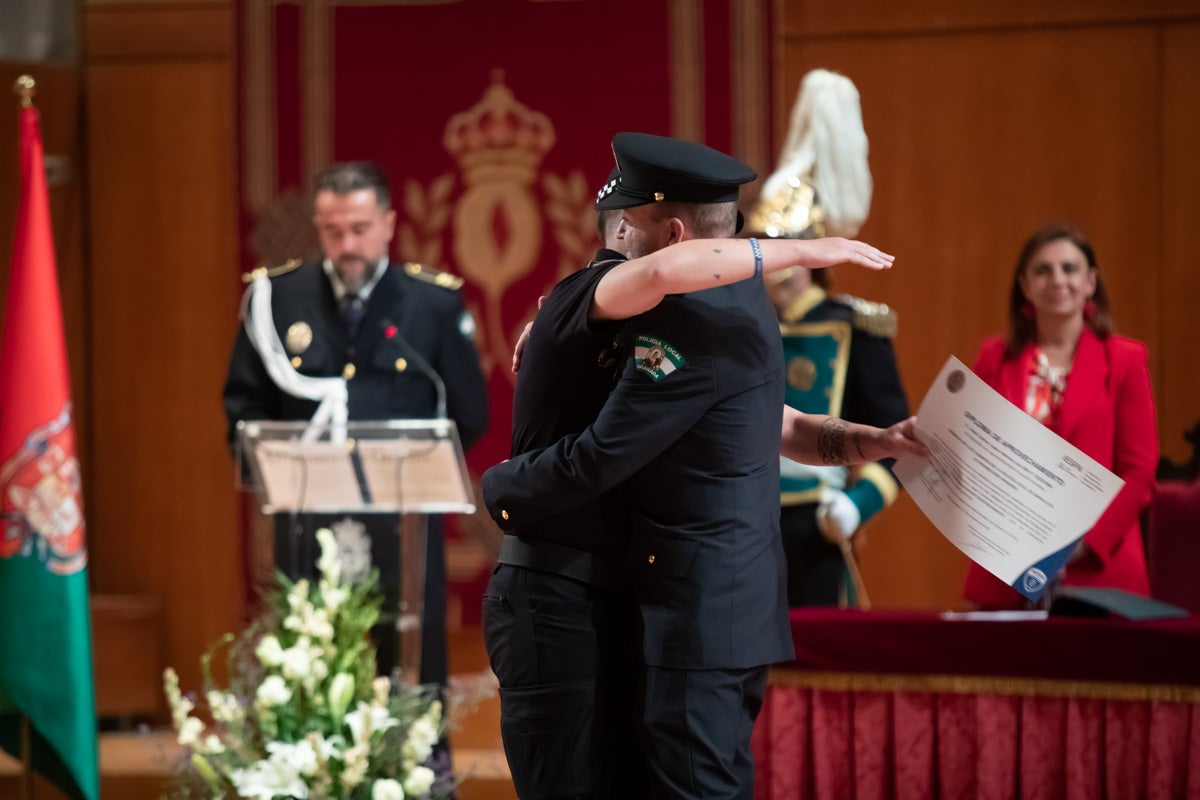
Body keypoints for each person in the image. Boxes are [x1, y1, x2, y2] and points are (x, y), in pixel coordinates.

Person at [483, 132, 922, 800]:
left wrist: (500, 485)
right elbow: (776, 420)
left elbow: (615, 449)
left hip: (686, 609)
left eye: (631, 227)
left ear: (669, 234)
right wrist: (868, 441)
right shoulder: (724, 304)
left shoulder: (692, 310)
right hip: (588, 599)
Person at [222, 161, 489, 695]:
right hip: (309, 522)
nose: (348, 246)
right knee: (309, 673)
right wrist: (274, 467)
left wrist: (414, 470)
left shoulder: (431, 303)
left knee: (412, 675)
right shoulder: (277, 299)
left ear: (388, 224)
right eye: (333, 231)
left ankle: (419, 753)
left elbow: (468, 412)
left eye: (360, 229)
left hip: (404, 523)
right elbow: (243, 405)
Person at [746, 68, 911, 607]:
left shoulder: (854, 326)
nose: (779, 261)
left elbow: (895, 442)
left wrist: (857, 505)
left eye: (790, 246)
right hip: (741, 525)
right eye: (768, 246)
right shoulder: (738, 322)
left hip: (816, 529)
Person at [963, 223, 1157, 609]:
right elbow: (972, 453)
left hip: (1100, 569)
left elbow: (1139, 471)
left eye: (1069, 268)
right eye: (1043, 270)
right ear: (1024, 284)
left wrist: (1083, 544)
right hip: (1008, 566)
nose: (1057, 280)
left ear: (1090, 282)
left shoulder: (1126, 360)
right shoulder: (993, 358)